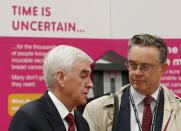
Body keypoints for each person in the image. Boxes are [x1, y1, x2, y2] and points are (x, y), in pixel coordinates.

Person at [83, 34, 181, 131]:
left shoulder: (178, 109)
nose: (137, 73)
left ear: (163, 69)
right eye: (133, 65)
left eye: (145, 67)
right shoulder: (96, 110)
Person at [9, 45, 93, 131]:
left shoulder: (82, 123)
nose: (90, 84)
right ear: (61, 78)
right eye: (83, 76)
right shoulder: (28, 117)